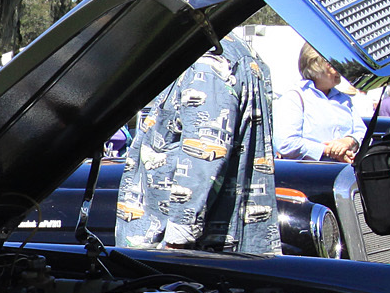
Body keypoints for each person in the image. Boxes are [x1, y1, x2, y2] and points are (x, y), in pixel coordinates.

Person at [116, 35, 279, 254]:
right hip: (225, 249)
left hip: (188, 254)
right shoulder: (238, 52)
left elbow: (201, 157)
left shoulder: (205, 63)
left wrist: (177, 241)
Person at [274, 44, 367, 162]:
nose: (341, 69)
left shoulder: (344, 99)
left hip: (347, 173)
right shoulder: (295, 97)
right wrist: (328, 150)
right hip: (311, 175)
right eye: (334, 64)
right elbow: (286, 143)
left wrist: (348, 141)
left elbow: (363, 133)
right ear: (315, 65)